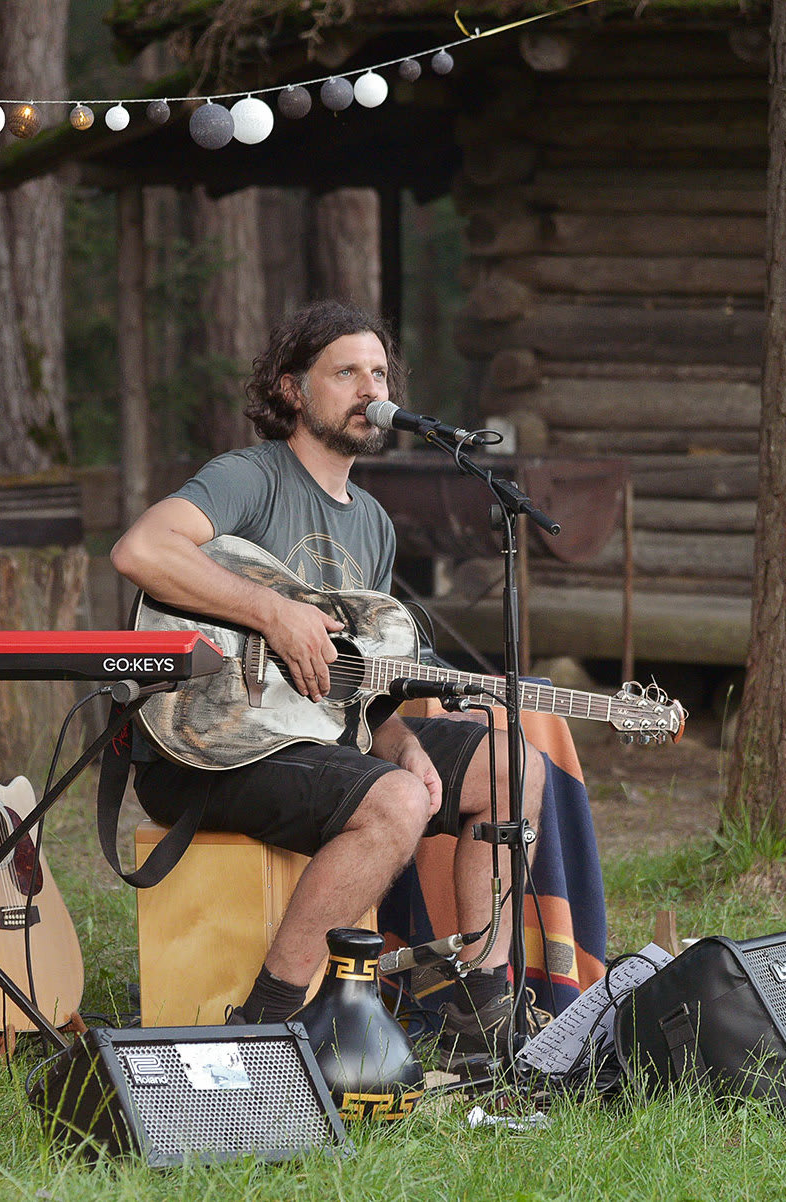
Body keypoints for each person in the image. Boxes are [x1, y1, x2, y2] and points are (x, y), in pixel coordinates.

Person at [110, 299, 544, 1062]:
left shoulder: (370, 521)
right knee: (395, 801)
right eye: (345, 373)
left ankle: (481, 1006)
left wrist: (401, 741)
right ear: (291, 389)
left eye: (378, 373)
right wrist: (272, 613)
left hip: (314, 735)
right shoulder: (249, 477)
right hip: (207, 748)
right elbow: (140, 550)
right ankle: (265, 1023)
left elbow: (355, 678)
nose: (369, 389)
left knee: (513, 766)